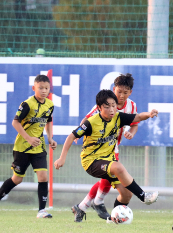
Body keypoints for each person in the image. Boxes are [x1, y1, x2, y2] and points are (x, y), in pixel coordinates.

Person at [54, 89, 159, 223]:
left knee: (126, 195)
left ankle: (113, 219)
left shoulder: (118, 117)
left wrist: (149, 114)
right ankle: (144, 196)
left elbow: (137, 117)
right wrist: (62, 158)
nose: (111, 109)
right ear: (99, 108)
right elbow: (71, 137)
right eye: (107, 106)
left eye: (114, 106)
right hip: (91, 162)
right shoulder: (90, 122)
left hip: (108, 161)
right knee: (118, 167)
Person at [0, 75, 56, 219]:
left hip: (38, 147)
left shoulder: (49, 105)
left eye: (46, 88)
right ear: (34, 88)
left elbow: (48, 122)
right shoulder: (27, 104)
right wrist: (29, 138)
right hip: (22, 147)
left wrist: (50, 138)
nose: (44, 91)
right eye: (40, 88)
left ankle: (41, 211)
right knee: (17, 179)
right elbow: (15, 122)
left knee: (43, 177)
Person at [74, 73, 138, 220]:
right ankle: (97, 201)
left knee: (110, 174)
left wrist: (131, 132)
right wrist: (80, 133)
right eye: (119, 91)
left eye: (125, 92)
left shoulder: (132, 105)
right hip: (101, 147)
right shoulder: (105, 103)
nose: (121, 96)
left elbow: (135, 124)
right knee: (110, 172)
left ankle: (84, 205)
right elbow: (87, 119)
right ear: (114, 89)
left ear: (130, 92)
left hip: (113, 145)